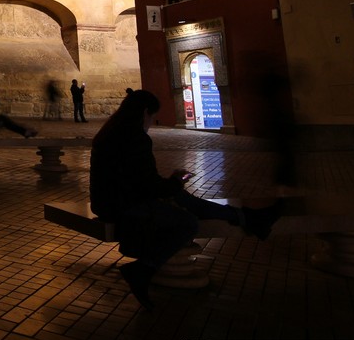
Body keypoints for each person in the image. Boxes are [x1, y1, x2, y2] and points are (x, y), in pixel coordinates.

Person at [90, 88, 282, 310]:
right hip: (124, 206)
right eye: (152, 116)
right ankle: (144, 268)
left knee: (183, 198)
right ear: (144, 112)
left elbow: (137, 180)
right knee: (187, 222)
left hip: (111, 201)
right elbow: (148, 186)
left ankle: (249, 218)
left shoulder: (109, 133)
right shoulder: (135, 139)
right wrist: (176, 181)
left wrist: (172, 185)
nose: (152, 121)